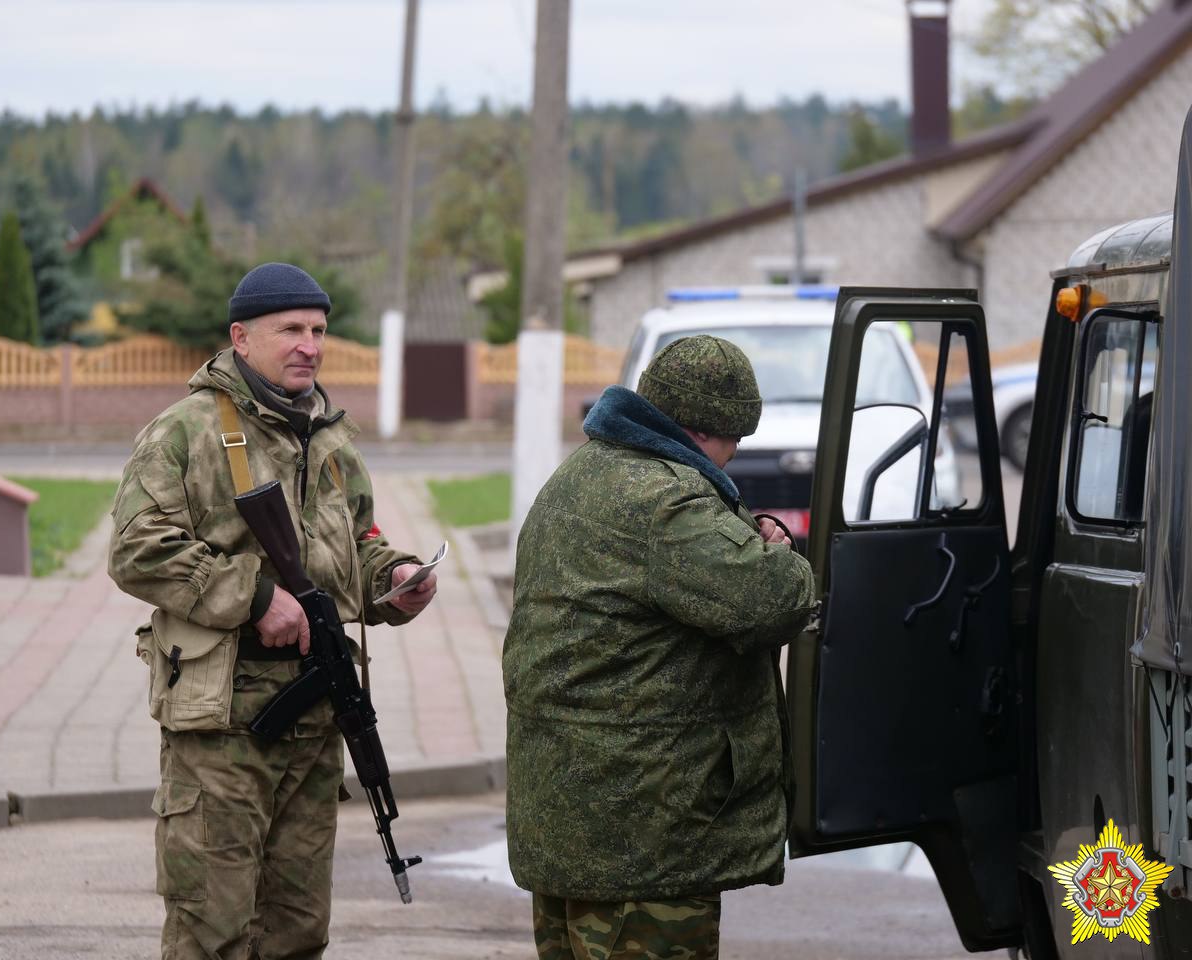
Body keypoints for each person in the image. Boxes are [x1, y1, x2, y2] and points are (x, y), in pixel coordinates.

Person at [108, 262, 437, 960]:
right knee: (213, 931)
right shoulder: (186, 431)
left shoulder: (331, 439)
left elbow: (357, 545)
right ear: (241, 338)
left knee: (296, 931)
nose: (309, 346)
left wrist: (396, 580)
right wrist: (254, 599)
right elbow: (137, 548)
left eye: (318, 331)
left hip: (314, 722)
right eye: (290, 329)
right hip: (224, 722)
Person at [503, 334, 816, 959]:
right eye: (733, 440)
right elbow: (768, 601)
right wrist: (782, 552)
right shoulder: (666, 498)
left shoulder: (581, 473)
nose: (730, 459)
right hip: (642, 840)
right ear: (706, 431)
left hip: (570, 819)